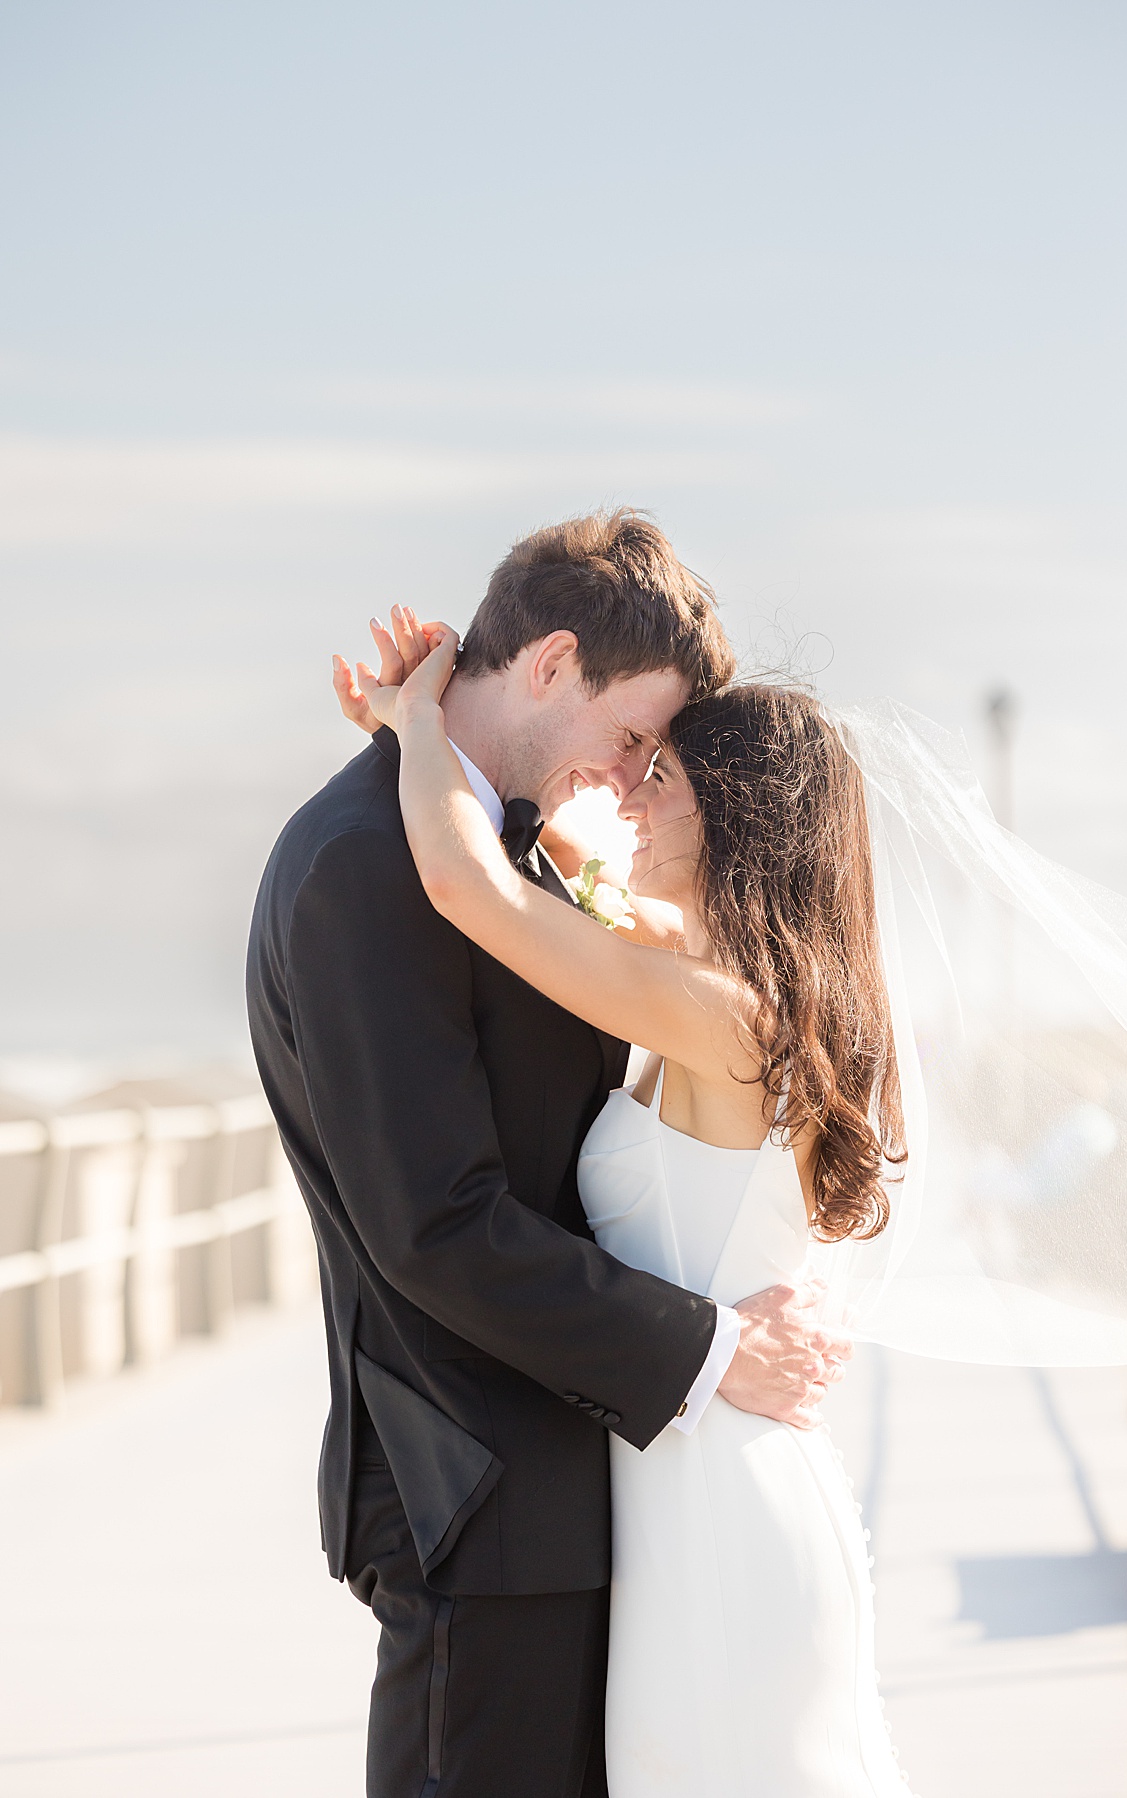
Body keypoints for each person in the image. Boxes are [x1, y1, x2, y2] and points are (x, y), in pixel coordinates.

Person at [247, 512, 851, 1798]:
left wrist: (416, 728)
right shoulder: (365, 864)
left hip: (583, 1488)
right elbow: (436, 1221)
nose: (625, 780)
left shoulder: (494, 849)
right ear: (549, 661)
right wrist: (711, 1344)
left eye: (657, 763)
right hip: (472, 1491)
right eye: (632, 735)